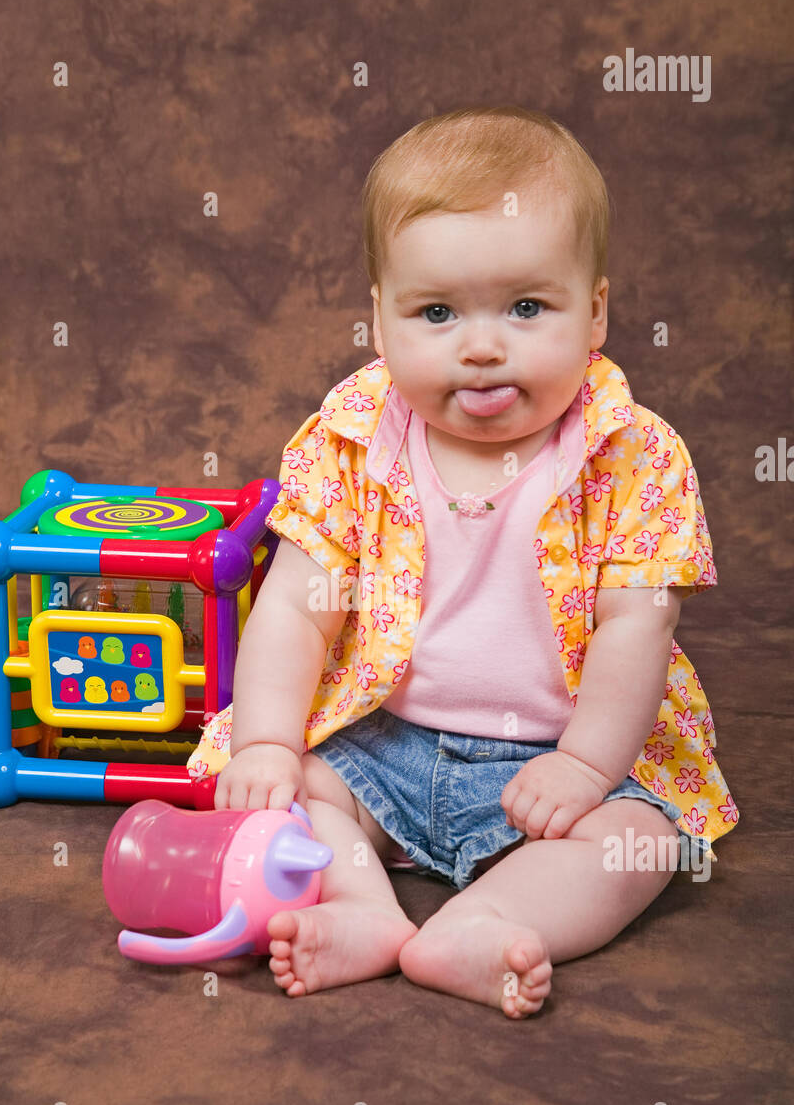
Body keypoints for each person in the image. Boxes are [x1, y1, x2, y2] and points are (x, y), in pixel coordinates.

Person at [187, 105, 738, 1017]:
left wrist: (588, 768)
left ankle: (484, 923)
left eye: (527, 307)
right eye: (437, 312)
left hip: (561, 756)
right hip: (386, 743)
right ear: (379, 319)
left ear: (594, 310)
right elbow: (295, 605)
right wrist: (272, 744)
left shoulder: (630, 455)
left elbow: (637, 622)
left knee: (639, 841)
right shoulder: (354, 442)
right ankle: (362, 909)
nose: (481, 346)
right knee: (287, 794)